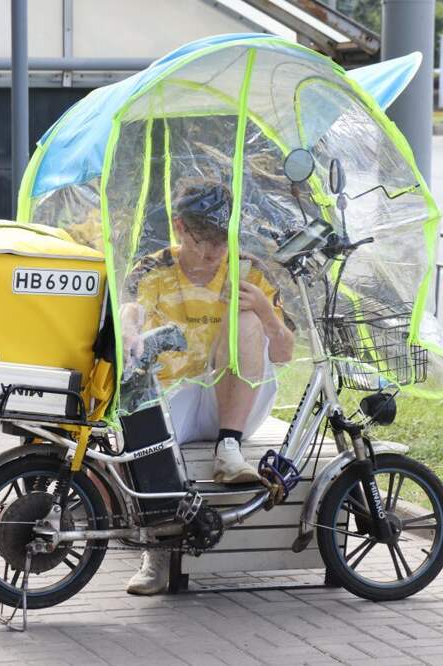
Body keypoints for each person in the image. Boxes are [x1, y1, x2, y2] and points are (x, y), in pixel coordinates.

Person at [121, 180, 295, 595]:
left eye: (222, 240)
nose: (214, 252)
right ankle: (157, 551)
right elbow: (131, 310)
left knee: (247, 319)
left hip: (237, 399)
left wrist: (267, 315)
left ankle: (228, 449)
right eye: (204, 240)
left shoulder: (249, 269)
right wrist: (128, 325)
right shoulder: (153, 268)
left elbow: (285, 354)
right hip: (177, 394)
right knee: (142, 440)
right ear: (180, 227)